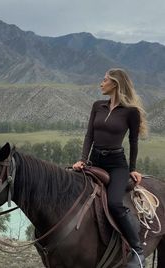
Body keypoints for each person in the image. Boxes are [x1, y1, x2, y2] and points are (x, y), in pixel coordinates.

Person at [73, 68, 148, 268]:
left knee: (115, 203)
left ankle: (137, 251)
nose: (101, 83)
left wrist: (132, 168)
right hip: (94, 161)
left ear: (115, 83)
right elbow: (89, 135)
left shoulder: (131, 112)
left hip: (116, 165)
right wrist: (83, 160)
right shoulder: (97, 106)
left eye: (104, 80)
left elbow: (133, 142)